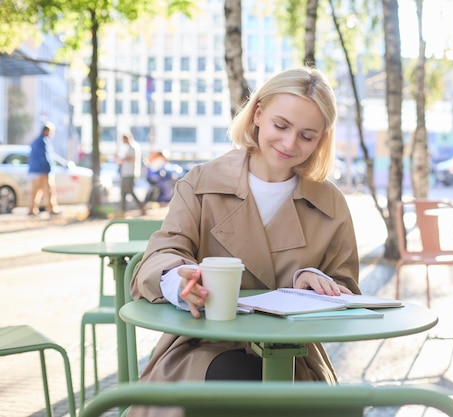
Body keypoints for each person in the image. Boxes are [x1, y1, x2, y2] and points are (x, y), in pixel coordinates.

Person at [129, 67, 361, 416]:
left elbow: (347, 290)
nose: (289, 144)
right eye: (280, 126)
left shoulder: (330, 205)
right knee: (243, 388)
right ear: (257, 114)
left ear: (322, 139)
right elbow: (161, 255)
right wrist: (185, 282)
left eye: (307, 136)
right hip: (200, 351)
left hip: (292, 358)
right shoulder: (200, 183)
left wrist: (311, 283)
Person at [28, 122, 58, 216]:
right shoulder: (43, 141)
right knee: (48, 191)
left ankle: (32, 209)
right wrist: (49, 168)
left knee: (35, 191)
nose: (51, 134)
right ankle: (51, 208)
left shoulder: (36, 141)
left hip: (34, 170)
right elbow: (45, 157)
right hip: (43, 170)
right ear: (46, 131)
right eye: (51, 132)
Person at [118, 132, 147, 216]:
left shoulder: (134, 147)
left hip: (130, 173)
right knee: (123, 191)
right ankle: (122, 210)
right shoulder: (129, 148)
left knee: (129, 191)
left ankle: (142, 206)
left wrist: (121, 159)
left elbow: (129, 158)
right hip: (125, 173)